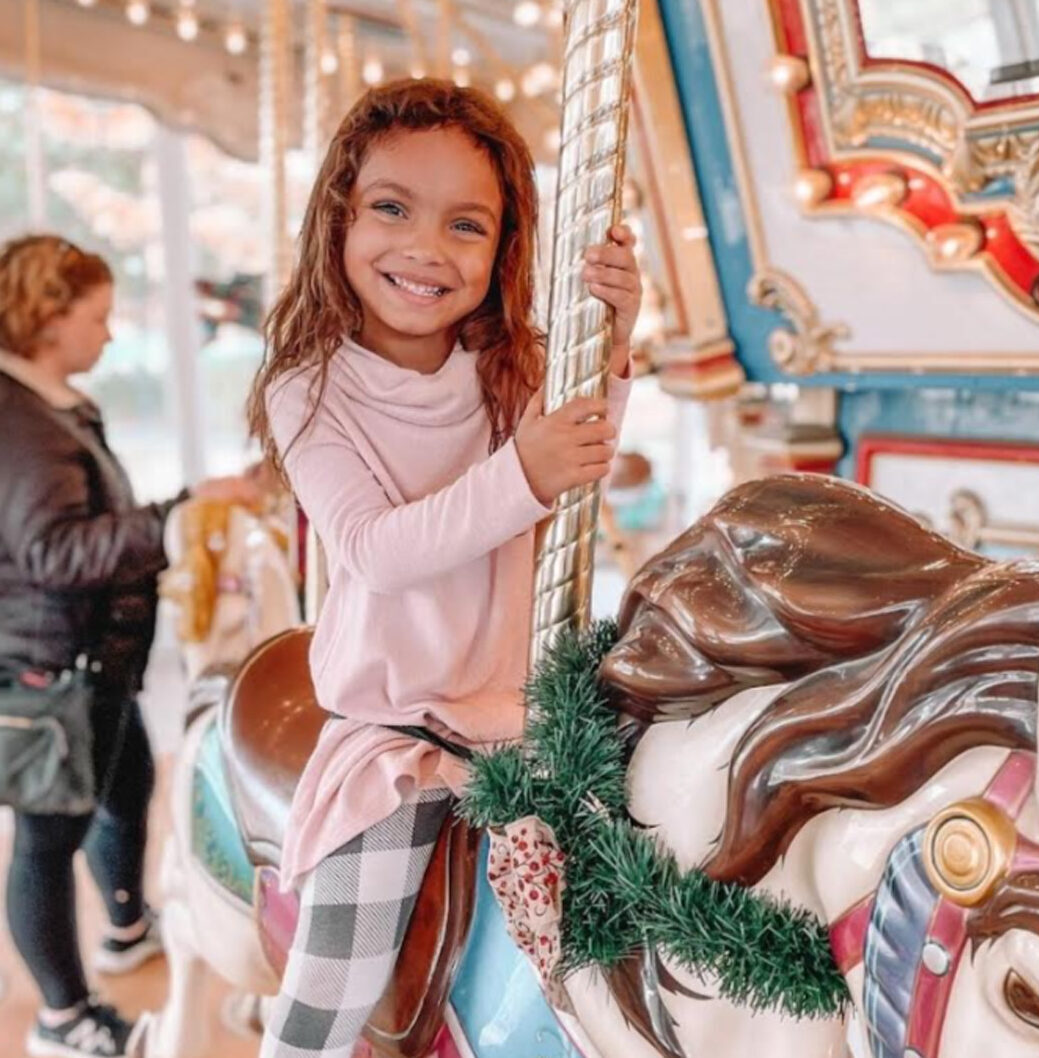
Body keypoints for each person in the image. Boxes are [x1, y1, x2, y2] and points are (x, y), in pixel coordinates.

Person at [248, 79, 642, 1058]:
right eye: (391, 208)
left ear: (502, 248)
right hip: (402, 731)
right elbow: (376, 550)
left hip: (523, 714)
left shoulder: (512, 368)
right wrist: (522, 470)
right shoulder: (309, 391)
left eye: (465, 224)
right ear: (338, 217)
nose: (425, 249)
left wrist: (613, 336)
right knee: (328, 1004)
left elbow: (582, 448)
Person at [0, 234, 260, 1058]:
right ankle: (63, 1018)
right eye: (99, 317)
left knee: (127, 787)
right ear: (48, 317)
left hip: (96, 663)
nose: (110, 336)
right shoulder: (24, 424)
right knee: (47, 838)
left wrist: (183, 506)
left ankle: (123, 925)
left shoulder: (52, 407)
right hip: (53, 669)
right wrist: (176, 517)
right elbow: (57, 553)